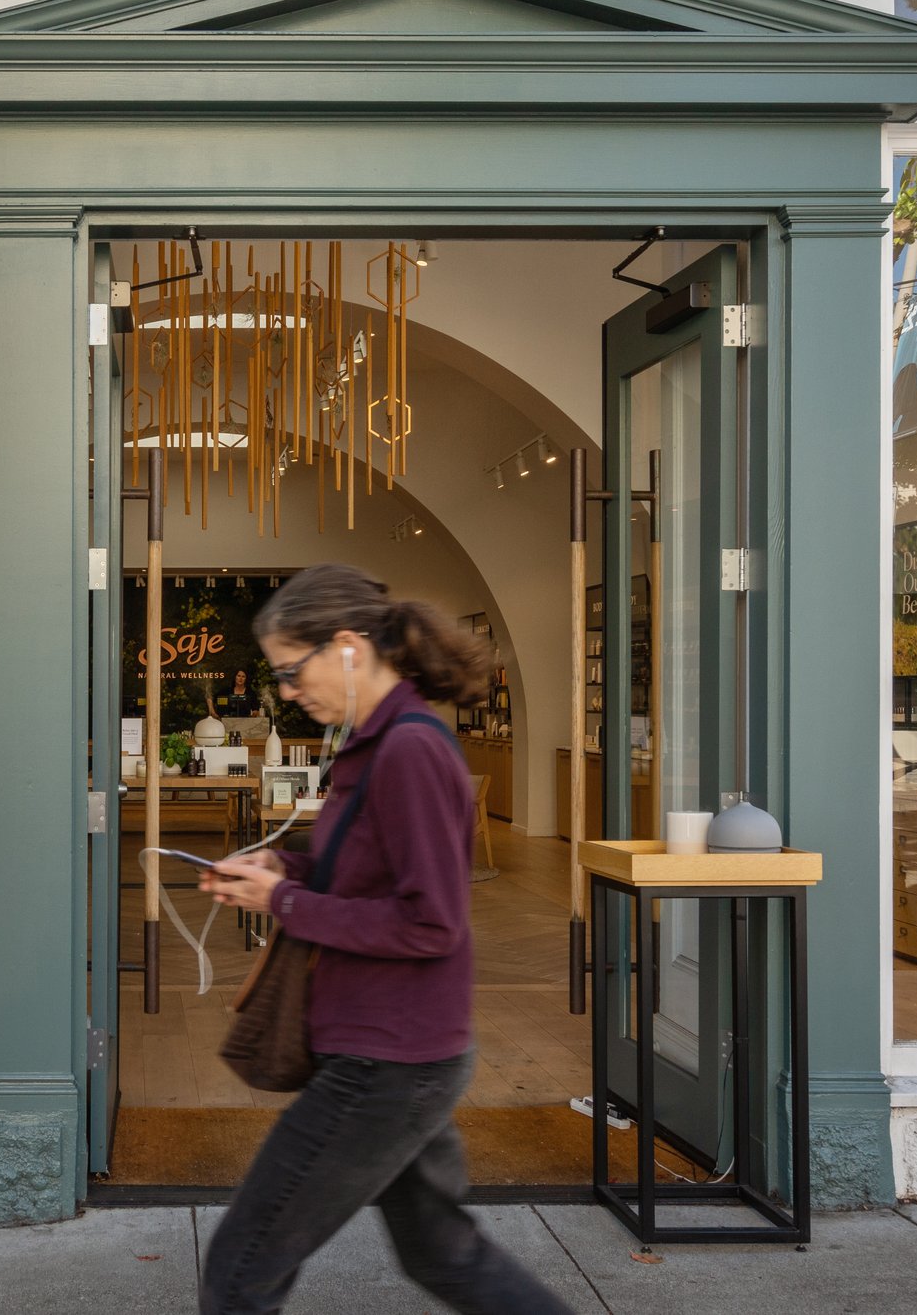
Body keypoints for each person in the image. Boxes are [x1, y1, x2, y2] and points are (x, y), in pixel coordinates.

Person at [198, 564, 575, 1315]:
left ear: (345, 646)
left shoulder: (409, 749)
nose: (284, 690)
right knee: (444, 1253)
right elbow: (372, 876)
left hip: (387, 1059)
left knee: (241, 1267)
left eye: (289, 670)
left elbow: (430, 922)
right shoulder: (376, 744)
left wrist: (287, 899)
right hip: (399, 1049)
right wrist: (284, 866)